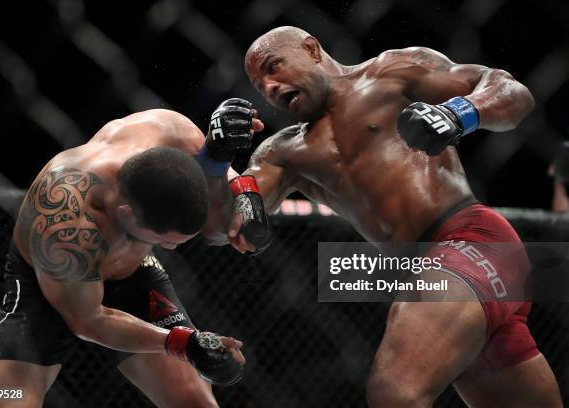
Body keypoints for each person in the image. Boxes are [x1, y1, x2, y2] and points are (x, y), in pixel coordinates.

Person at [237, 26, 562, 407]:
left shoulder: (393, 71)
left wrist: (457, 115)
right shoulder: (280, 152)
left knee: (395, 392)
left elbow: (512, 92)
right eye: (261, 86)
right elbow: (234, 225)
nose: (272, 87)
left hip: (470, 241)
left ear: (311, 49)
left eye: (274, 68)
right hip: (445, 275)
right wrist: (216, 159)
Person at [0, 100, 270, 407]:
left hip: (133, 274)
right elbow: (89, 320)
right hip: (49, 285)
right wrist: (184, 343)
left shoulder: (167, 131)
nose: (172, 248)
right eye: (166, 241)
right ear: (127, 214)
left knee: (197, 403)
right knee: (6, 402)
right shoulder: (65, 222)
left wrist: (236, 181)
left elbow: (217, 228)